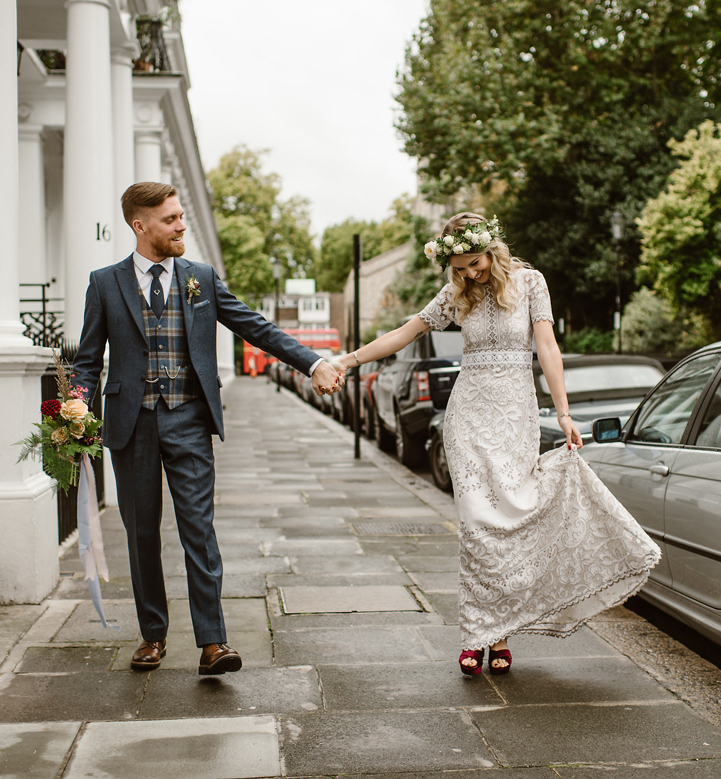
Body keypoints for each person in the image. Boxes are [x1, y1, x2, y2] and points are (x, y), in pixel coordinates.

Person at [339, 212, 660, 675]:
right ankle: (477, 633)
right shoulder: (454, 295)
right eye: (461, 268)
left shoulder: (531, 284)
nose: (471, 274)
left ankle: (503, 630)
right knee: (476, 525)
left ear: (492, 249)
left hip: (516, 416)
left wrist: (564, 412)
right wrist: (349, 360)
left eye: (475, 263)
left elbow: (548, 348)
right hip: (467, 417)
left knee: (512, 518)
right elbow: (404, 333)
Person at [71, 182, 343, 675]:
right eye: (171, 219)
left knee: (199, 530)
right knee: (141, 535)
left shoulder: (200, 277)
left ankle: (213, 642)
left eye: (179, 217)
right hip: (131, 424)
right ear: (141, 225)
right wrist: (74, 409)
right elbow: (88, 362)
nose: (180, 226)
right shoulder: (105, 283)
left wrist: (312, 362)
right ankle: (153, 636)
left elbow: (256, 326)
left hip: (189, 419)